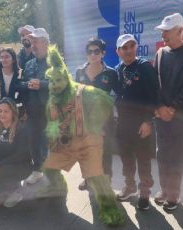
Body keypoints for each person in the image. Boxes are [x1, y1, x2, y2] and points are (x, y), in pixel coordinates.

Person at [38, 45, 125, 227]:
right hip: (66, 144)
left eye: (58, 80)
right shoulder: (52, 102)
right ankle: (58, 187)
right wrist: (53, 137)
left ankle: (110, 210)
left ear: (66, 78)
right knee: (49, 167)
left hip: (88, 142)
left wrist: (94, 124)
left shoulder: (82, 90)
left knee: (96, 177)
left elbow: (106, 100)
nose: (55, 85)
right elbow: (51, 124)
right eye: (52, 81)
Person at [153, 13, 183, 211]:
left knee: (177, 154)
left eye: (167, 30)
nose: (163, 34)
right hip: (160, 114)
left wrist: (172, 108)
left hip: (180, 115)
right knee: (161, 153)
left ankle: (174, 194)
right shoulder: (160, 53)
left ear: (180, 30)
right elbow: (155, 83)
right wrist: (159, 107)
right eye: (162, 31)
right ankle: (164, 189)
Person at [114, 34, 158, 210]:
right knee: (126, 157)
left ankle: (145, 192)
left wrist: (148, 121)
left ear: (136, 47)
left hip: (141, 123)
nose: (128, 50)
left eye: (131, 46)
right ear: (118, 51)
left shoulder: (145, 67)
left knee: (143, 159)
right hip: (123, 123)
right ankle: (130, 186)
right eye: (124, 48)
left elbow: (153, 96)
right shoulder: (117, 69)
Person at [75, 38, 120, 189]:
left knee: (105, 151)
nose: (93, 54)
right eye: (89, 51)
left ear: (103, 53)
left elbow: (119, 95)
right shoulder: (80, 72)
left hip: (105, 121)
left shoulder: (111, 73)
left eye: (96, 51)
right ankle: (88, 179)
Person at [0, 98, 32, 208]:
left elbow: (21, 154)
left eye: (6, 111)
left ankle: (16, 190)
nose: (2, 114)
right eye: (0, 111)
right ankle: (6, 188)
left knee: (5, 172)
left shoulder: (22, 129)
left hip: (20, 165)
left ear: (13, 112)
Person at [19, 28, 51, 184]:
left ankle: (52, 173)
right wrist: (27, 85)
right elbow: (23, 84)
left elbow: (63, 84)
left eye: (36, 41)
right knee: (34, 142)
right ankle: (37, 170)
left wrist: (42, 84)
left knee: (49, 144)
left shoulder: (56, 62)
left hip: (50, 112)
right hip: (32, 112)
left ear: (45, 43)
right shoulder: (29, 63)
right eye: (32, 42)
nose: (33, 45)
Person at [0, 48, 24, 118]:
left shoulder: (21, 73)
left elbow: (25, 95)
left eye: (7, 57)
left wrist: (25, 112)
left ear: (13, 59)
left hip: (17, 113)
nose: (4, 60)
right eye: (1, 57)